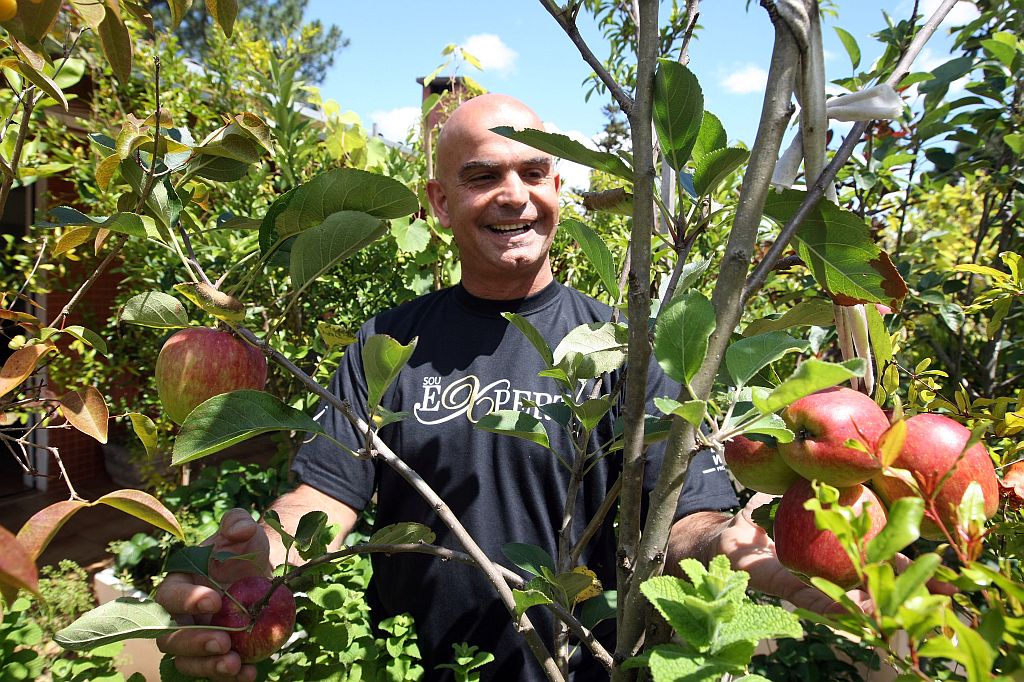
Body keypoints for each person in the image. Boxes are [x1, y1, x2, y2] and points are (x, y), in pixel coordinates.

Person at [155, 94, 845, 682]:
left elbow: (685, 515)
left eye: (533, 171)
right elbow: (325, 494)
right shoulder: (387, 344)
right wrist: (264, 565)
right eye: (482, 175)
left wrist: (749, 554)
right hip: (415, 666)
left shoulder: (627, 348)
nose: (514, 194)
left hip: (583, 662)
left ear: (556, 190)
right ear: (438, 203)